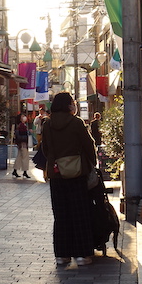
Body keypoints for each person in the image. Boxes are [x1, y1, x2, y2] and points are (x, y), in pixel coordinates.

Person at [39, 92, 99, 265]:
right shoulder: (76, 123)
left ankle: (61, 255)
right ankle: (81, 255)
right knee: (79, 213)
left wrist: (54, 162)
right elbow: (89, 145)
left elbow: (45, 148)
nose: (74, 105)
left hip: (56, 174)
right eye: (73, 102)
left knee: (61, 214)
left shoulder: (47, 124)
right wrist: (91, 163)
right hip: (77, 173)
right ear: (68, 105)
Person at [12, 113, 31, 178]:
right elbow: (22, 135)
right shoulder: (22, 126)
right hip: (23, 144)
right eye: (23, 116)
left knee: (19, 157)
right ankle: (25, 171)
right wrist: (27, 133)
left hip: (20, 144)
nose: (24, 117)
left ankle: (15, 170)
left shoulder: (20, 125)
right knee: (25, 157)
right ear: (20, 118)